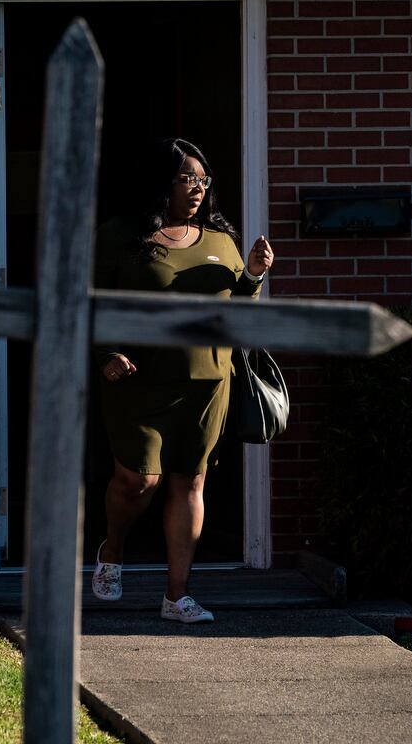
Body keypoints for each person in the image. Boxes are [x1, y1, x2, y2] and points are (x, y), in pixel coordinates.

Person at [90, 138, 275, 623]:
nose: (197, 189)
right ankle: (113, 550)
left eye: (203, 180)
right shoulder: (120, 236)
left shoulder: (220, 242)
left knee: (190, 483)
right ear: (162, 184)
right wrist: (107, 352)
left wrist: (252, 276)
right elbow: (87, 302)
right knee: (139, 479)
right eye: (186, 179)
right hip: (138, 381)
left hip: (208, 383)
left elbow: (239, 315)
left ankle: (177, 596)